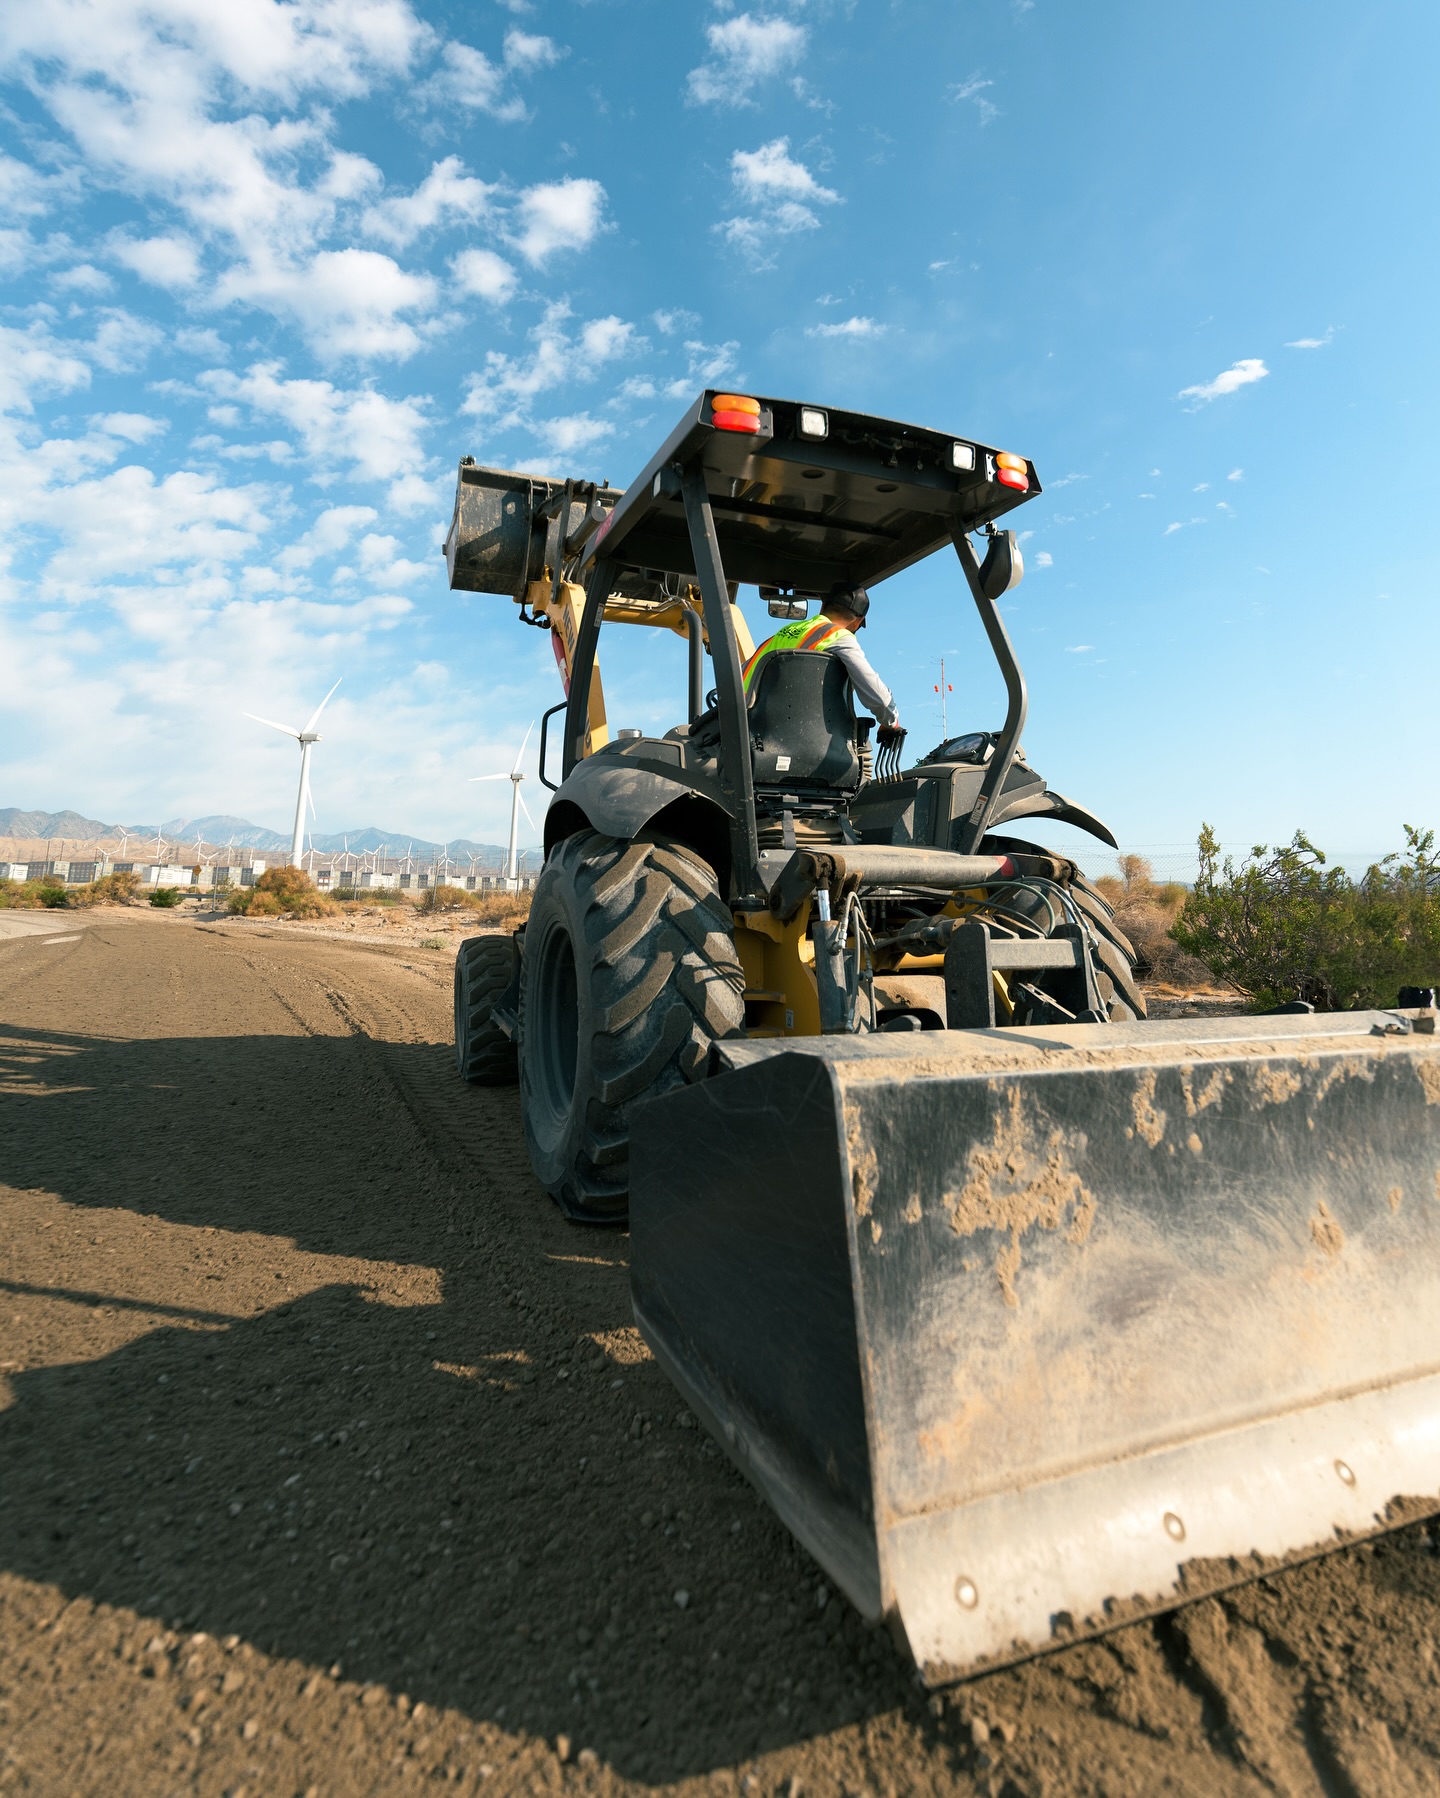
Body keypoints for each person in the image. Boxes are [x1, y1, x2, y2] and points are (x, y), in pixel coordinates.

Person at [742, 583, 902, 742]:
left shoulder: (779, 635)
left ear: (822, 607)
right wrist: (890, 721)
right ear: (858, 622)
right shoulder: (838, 636)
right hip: (797, 738)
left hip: (746, 733)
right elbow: (877, 695)